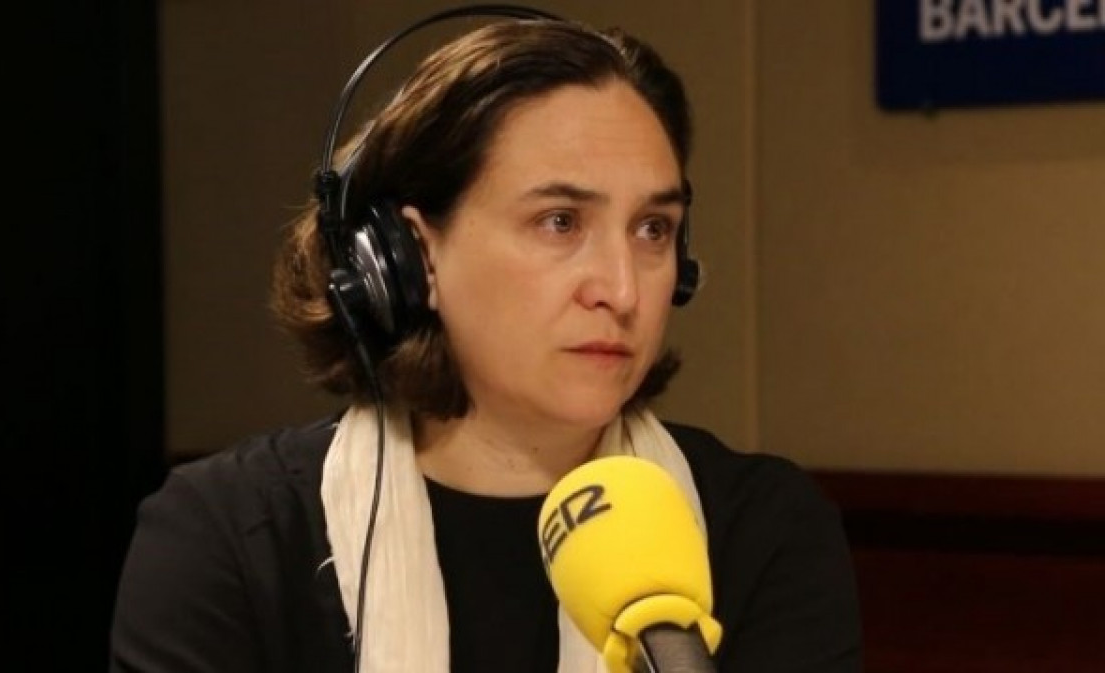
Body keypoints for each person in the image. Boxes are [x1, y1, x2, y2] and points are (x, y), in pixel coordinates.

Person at [110, 12, 861, 673]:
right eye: (560, 222)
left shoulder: (765, 532)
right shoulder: (227, 538)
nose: (622, 289)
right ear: (411, 257)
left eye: (652, 229)